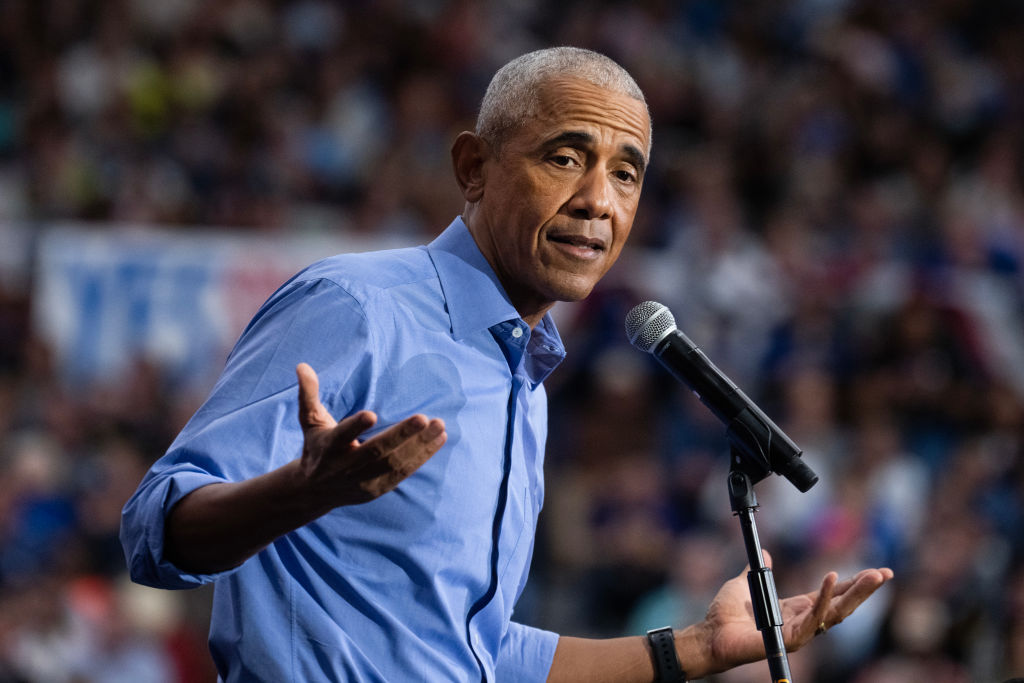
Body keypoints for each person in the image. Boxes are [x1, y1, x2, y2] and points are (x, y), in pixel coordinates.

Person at [120, 46, 893, 682]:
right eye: (566, 157)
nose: (599, 200)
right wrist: (295, 494)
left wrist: (695, 648)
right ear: (474, 168)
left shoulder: (521, 377)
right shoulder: (357, 304)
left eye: (626, 173)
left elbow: (476, 652)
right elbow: (155, 528)